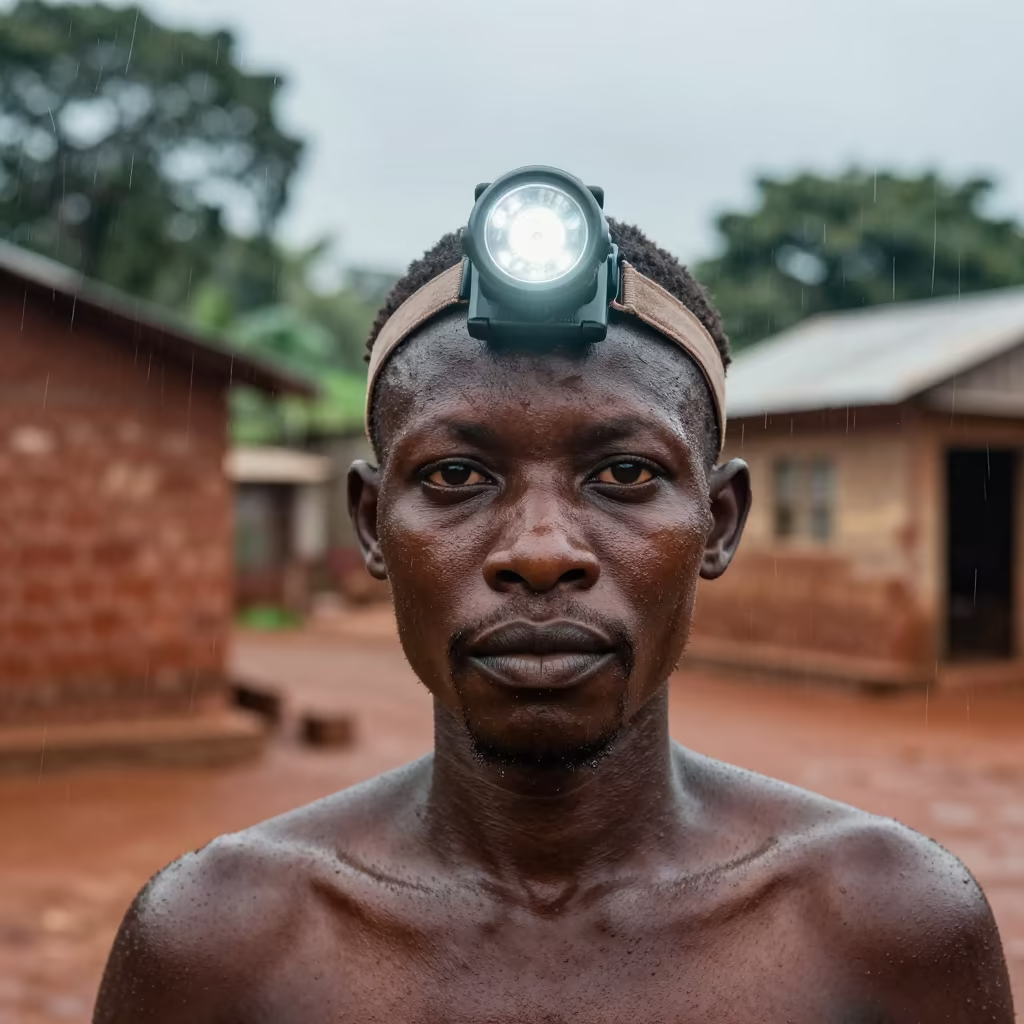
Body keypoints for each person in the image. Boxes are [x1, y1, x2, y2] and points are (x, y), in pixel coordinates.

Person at [94, 212, 1013, 1022]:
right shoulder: (218, 946)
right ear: (373, 526)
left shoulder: (886, 928)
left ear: (718, 524)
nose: (540, 550)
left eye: (624, 475)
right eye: (457, 476)